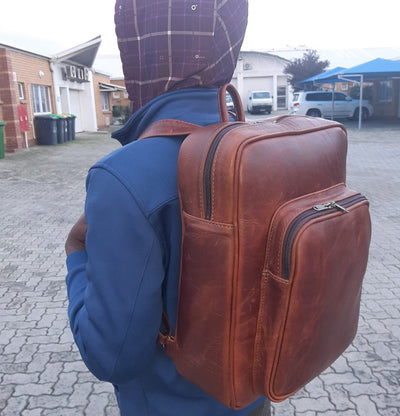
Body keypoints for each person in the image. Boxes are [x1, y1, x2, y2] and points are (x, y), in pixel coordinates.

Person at [65, 0, 271, 415]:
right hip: (256, 399)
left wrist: (76, 254)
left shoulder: (125, 175)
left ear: (140, 51)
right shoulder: (261, 149)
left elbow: (113, 356)